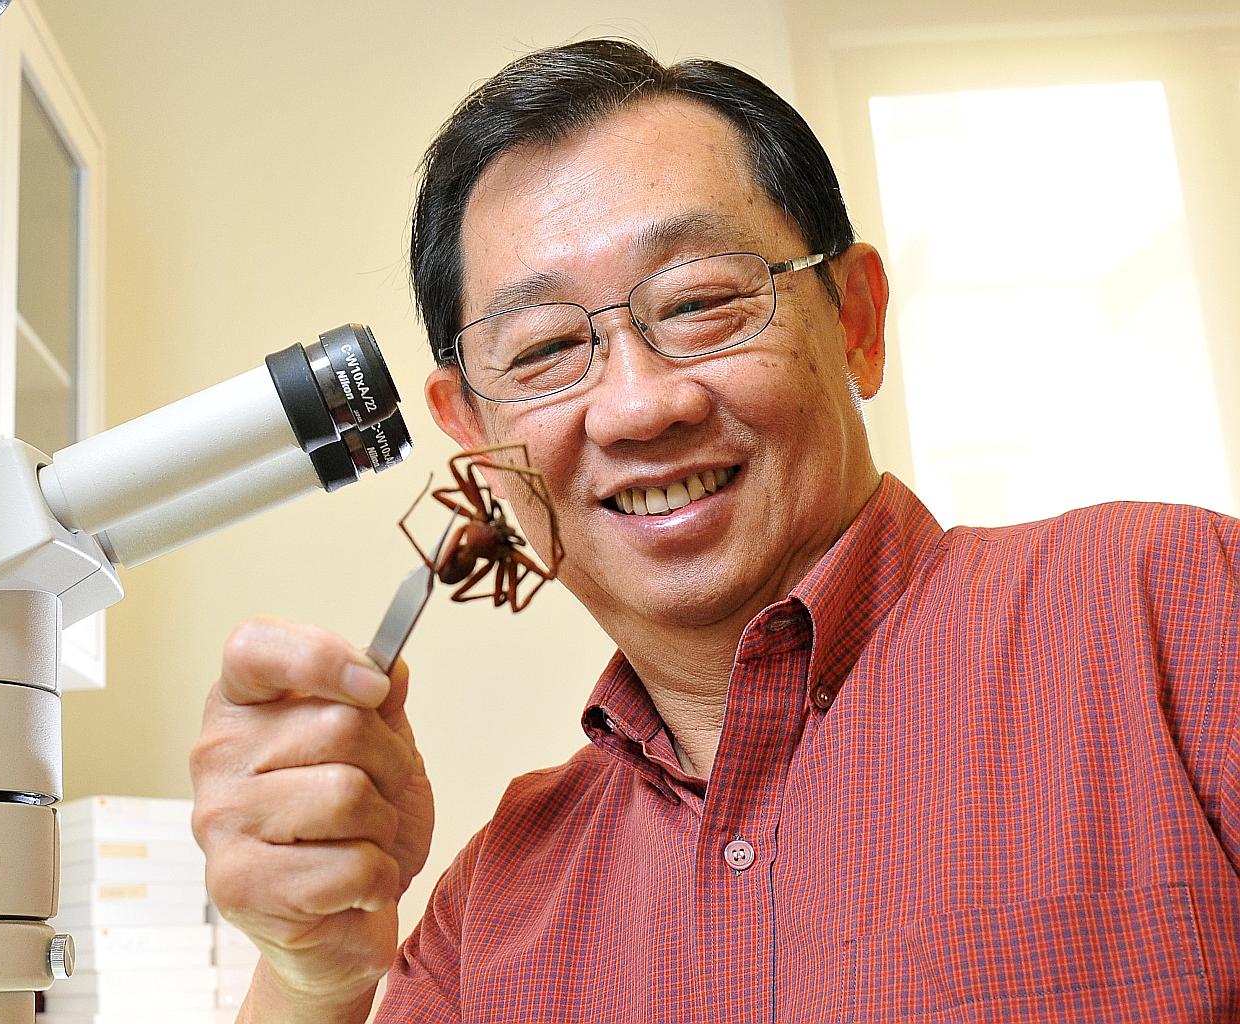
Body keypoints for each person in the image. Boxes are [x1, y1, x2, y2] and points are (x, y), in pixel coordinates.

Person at [189, 39, 1240, 1023]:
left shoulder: (1179, 606)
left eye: (698, 302)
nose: (641, 406)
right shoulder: (489, 913)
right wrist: (310, 974)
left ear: (858, 322)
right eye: (548, 345)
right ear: (475, 435)